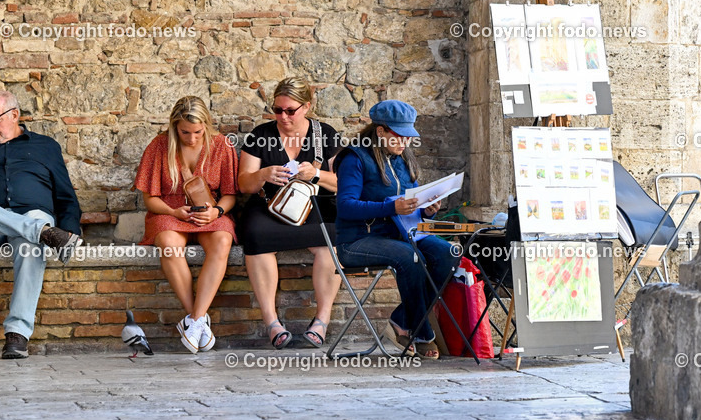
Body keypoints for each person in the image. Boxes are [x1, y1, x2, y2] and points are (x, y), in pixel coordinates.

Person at [0, 90, 82, 359]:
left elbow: (66, 196)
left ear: (15, 115)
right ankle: (45, 234)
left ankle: (17, 335)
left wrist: (69, 230)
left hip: (33, 218)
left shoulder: (46, 147)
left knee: (31, 241)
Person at [333, 99, 458, 359]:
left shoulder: (402, 158)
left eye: (408, 136)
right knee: (411, 257)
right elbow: (345, 206)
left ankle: (402, 321)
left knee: (449, 253)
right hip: (358, 240)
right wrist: (391, 208)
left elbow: (408, 200)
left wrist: (426, 208)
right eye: (400, 136)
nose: (405, 142)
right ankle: (421, 332)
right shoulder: (354, 158)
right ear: (380, 132)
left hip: (402, 235)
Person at [237, 77, 341, 349]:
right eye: (277, 110)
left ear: (306, 106)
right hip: (268, 206)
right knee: (256, 237)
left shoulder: (325, 134)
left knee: (330, 243)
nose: (283, 116)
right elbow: (244, 184)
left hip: (313, 205)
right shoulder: (261, 135)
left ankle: (321, 321)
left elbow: (343, 183)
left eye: (290, 110)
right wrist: (263, 174)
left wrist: (316, 174)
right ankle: (272, 323)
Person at [134, 96, 238, 353]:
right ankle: (198, 319)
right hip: (169, 211)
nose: (191, 139)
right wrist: (174, 212)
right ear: (174, 126)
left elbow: (231, 193)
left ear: (207, 125)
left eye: (197, 132)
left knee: (223, 240)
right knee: (168, 243)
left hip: (208, 211)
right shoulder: (159, 145)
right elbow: (150, 199)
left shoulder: (221, 145)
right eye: (184, 132)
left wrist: (217, 212)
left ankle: (193, 320)